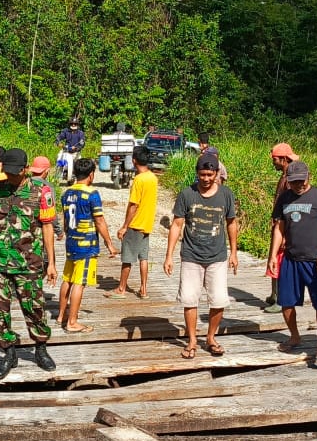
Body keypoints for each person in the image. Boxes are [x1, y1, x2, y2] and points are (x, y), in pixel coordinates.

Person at [0, 148, 59, 380]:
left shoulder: (41, 191)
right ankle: (8, 353)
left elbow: (47, 226)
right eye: (5, 172)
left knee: (35, 309)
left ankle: (40, 348)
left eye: (13, 173)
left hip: (29, 263)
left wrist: (51, 263)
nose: (8, 177)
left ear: (25, 169)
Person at [164, 154, 239, 358]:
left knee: (218, 300)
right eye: (202, 175)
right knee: (190, 299)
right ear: (197, 174)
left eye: (209, 174)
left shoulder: (226, 195)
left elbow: (231, 223)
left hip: (217, 257)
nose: (205, 179)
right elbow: (177, 224)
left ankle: (211, 337)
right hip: (191, 255)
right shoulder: (187, 194)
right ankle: (192, 340)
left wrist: (234, 252)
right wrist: (169, 255)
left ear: (216, 174)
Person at [268, 160, 317, 368]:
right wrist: (272, 256)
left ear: (309, 177)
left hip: (316, 261)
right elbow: (279, 228)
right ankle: (295, 336)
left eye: (301, 181)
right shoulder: (285, 198)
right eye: (293, 182)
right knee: (286, 302)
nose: (298, 185)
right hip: (291, 259)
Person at [57, 158, 118, 333]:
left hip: (71, 241)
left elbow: (67, 219)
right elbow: (99, 220)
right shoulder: (92, 194)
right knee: (79, 282)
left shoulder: (66, 193)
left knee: (67, 278)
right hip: (86, 243)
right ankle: (72, 322)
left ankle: (61, 315)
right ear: (91, 175)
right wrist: (109, 244)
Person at [107, 148, 156, 299]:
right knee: (144, 257)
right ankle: (144, 289)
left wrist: (124, 226)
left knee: (127, 258)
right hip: (147, 224)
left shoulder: (139, 180)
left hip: (135, 224)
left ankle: (121, 288)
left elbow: (133, 205)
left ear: (134, 160)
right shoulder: (153, 177)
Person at [263, 142, 299, 313]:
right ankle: (274, 294)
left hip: (284, 227)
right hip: (278, 224)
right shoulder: (284, 176)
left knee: (280, 261)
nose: (273, 162)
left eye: (275, 159)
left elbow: (291, 207)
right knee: (274, 258)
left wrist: (284, 234)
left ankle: (281, 299)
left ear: (284, 159)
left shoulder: (290, 180)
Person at [56, 116, 86, 184]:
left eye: (75, 124)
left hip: (76, 152)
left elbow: (82, 142)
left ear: (77, 124)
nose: (73, 125)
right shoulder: (66, 131)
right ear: (69, 124)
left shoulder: (80, 133)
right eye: (72, 123)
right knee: (59, 158)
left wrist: (78, 148)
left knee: (79, 166)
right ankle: (57, 177)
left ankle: (77, 178)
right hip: (66, 151)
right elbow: (59, 137)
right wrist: (58, 142)